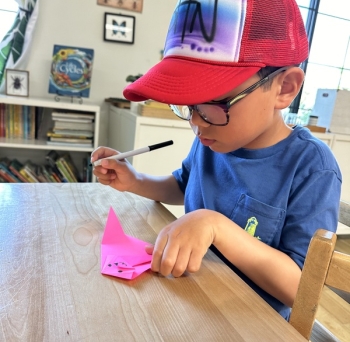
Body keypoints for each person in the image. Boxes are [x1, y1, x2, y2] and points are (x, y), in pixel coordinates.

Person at [91, 0, 342, 320]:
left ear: (285, 88)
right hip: (192, 299)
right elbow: (183, 185)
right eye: (187, 106)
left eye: (214, 104)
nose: (196, 123)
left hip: (249, 325)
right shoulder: (215, 137)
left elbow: (300, 289)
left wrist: (216, 226)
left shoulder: (311, 167)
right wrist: (135, 180)